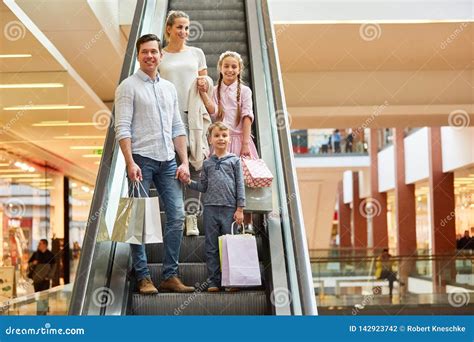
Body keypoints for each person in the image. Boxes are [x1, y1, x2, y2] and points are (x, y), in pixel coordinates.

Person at [115, 33, 194, 294]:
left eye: (154, 51)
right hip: (141, 160)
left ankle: (170, 275)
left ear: (161, 55)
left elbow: (176, 126)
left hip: (168, 161)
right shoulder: (128, 86)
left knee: (177, 215)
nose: (150, 56)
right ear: (138, 56)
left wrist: (184, 162)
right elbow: (122, 127)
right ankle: (143, 277)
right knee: (137, 218)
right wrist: (129, 162)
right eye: (144, 52)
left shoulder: (168, 88)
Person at [200, 51, 258, 233]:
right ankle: (222, 220)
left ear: (240, 69)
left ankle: (247, 222)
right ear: (220, 68)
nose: (230, 70)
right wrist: (203, 94)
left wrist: (246, 144)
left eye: (234, 66)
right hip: (221, 142)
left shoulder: (245, 91)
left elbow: (247, 116)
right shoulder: (215, 90)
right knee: (222, 182)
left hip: (241, 140)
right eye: (226, 66)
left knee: (245, 181)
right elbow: (215, 113)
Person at [184, 122, 245, 292]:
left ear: (229, 139)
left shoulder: (234, 160)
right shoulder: (207, 163)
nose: (221, 139)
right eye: (217, 136)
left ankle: (231, 280)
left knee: (229, 245)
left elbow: (240, 184)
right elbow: (204, 186)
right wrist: (189, 182)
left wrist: (240, 208)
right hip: (210, 209)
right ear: (210, 139)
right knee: (211, 247)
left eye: (224, 136)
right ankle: (213, 281)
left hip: (229, 209)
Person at [159, 10, 208, 133]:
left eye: (186, 28)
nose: (184, 32)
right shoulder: (159, 55)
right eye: (179, 27)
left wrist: (204, 84)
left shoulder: (197, 53)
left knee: (194, 149)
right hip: (167, 110)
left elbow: (206, 84)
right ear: (169, 29)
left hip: (193, 110)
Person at [28, 239, 56, 315]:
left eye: (40, 244)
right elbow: (29, 265)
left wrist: (49, 276)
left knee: (44, 297)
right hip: (36, 280)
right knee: (38, 298)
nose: (38, 245)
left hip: (45, 280)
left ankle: (42, 313)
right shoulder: (35, 254)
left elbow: (54, 267)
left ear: (45, 245)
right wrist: (33, 263)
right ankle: (40, 313)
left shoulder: (50, 255)